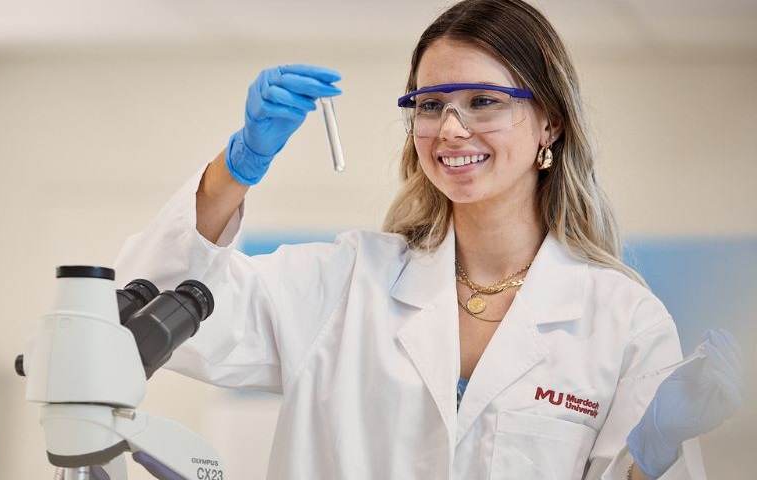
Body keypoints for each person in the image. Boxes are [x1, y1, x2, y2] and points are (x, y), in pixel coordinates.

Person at [114, 0, 743, 478]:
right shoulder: (348, 281)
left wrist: (652, 451)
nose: (451, 128)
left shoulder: (623, 321)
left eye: (482, 101)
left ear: (549, 121)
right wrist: (239, 165)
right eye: (430, 104)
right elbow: (153, 312)